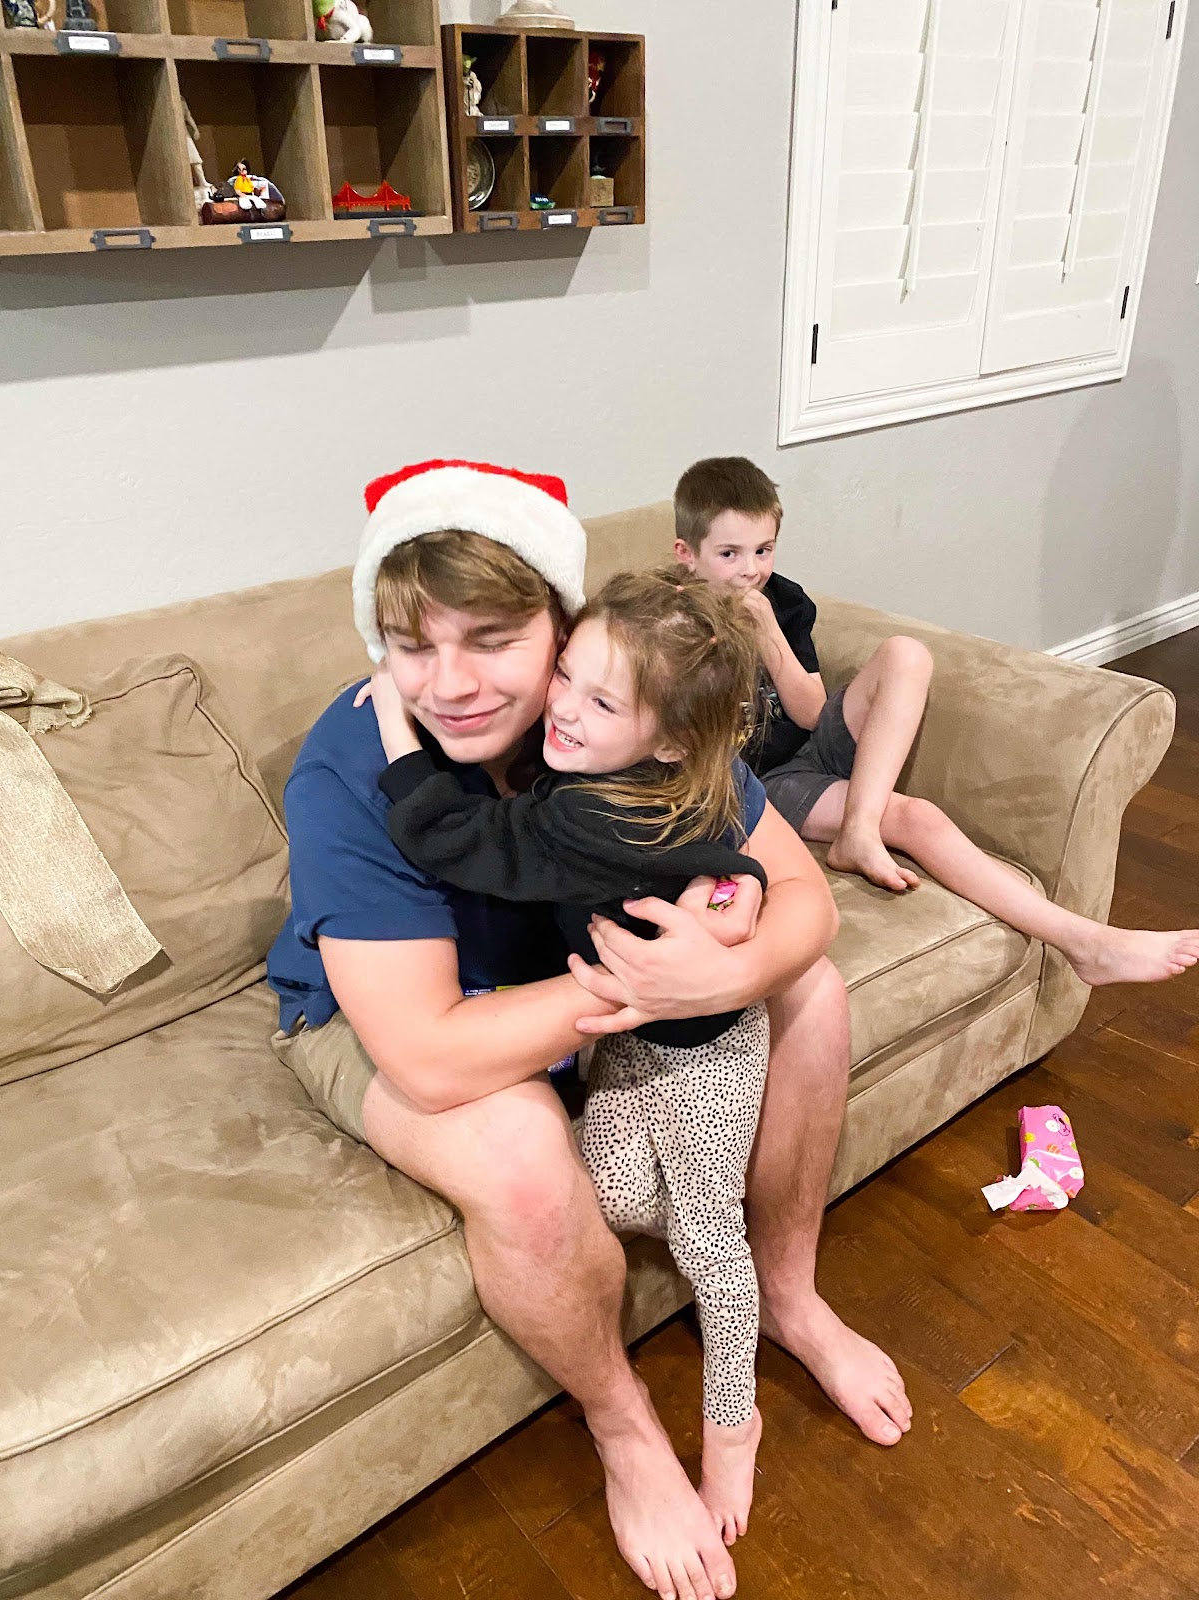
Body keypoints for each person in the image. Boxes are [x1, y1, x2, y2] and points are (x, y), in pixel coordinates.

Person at [267, 459, 910, 1600]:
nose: (450, 684)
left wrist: (730, 960)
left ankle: (790, 1293)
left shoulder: (624, 705)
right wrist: (657, 983)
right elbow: (428, 1054)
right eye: (411, 645)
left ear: (563, 630)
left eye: (492, 640)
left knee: (812, 992)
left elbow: (804, 901)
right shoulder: (353, 768)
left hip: (575, 986)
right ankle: (625, 1428)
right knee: (519, 1153)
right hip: (389, 1014)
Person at [360, 568, 775, 1543]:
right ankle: (697, 1221)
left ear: (668, 740)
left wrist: (392, 719)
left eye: (603, 702)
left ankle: (733, 1423)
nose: (566, 710)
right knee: (614, 1196)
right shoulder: (645, 774)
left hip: (707, 1057)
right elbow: (725, 852)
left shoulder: (587, 814)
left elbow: (451, 837)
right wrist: (741, 882)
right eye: (568, 678)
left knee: (712, 1248)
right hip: (625, 1042)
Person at [674, 455, 1199, 988]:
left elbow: (810, 711)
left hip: (807, 746)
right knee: (918, 817)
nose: (750, 570)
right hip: (760, 784)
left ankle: (860, 829)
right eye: (729, 554)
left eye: (763, 550)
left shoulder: (783, 601)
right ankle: (1086, 944)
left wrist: (768, 633)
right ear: (687, 555)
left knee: (907, 654)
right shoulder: (668, 623)